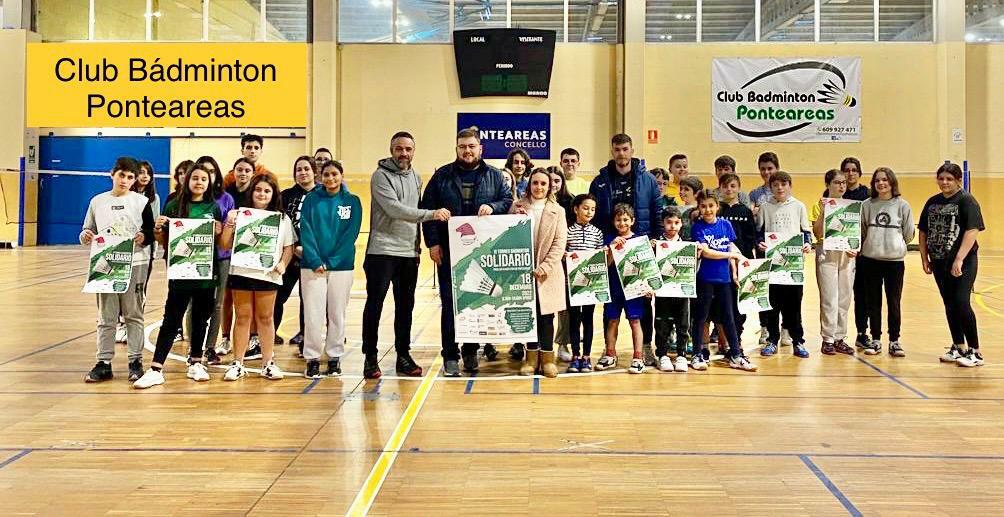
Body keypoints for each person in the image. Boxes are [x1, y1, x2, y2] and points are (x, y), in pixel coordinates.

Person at [421, 127, 513, 376]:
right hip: (449, 251)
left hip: (482, 254)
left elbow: (507, 201)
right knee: (450, 303)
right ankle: (450, 355)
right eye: (462, 147)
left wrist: (493, 206)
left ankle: (471, 350)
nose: (467, 151)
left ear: (480, 148)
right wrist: (433, 244)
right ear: (456, 149)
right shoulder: (441, 176)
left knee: (475, 302)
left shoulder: (495, 175)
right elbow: (428, 209)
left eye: (472, 146)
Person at [363, 132, 450, 379]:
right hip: (382, 251)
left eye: (408, 149)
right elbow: (395, 209)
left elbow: (414, 212)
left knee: (405, 307)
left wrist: (419, 245)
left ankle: (403, 355)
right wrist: (431, 214)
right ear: (391, 150)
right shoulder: (380, 176)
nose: (403, 153)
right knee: (375, 305)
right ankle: (370, 357)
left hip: (408, 253)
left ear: (414, 151)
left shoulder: (416, 177)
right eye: (399, 149)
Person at [134, 164, 223, 389]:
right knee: (171, 320)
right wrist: (157, 230)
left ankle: (196, 362)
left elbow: (220, 243)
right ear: (187, 180)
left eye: (204, 179)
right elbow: (165, 241)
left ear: (209, 183)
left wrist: (220, 231)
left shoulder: (213, 207)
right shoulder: (174, 205)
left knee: (201, 319)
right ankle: (156, 368)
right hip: (181, 273)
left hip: (205, 274)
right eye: (195, 178)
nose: (199, 182)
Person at [589, 134, 662, 368]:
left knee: (642, 305)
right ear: (612, 151)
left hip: (640, 246)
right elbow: (593, 214)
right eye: (617, 149)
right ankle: (608, 350)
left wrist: (655, 240)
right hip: (611, 246)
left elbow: (657, 211)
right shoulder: (600, 181)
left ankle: (645, 347)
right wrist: (600, 243)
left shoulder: (647, 180)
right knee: (610, 305)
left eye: (625, 149)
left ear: (632, 150)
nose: (621, 153)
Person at [81, 157, 154, 384]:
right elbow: (87, 231)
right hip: (106, 264)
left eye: (130, 177)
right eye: (122, 175)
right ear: (112, 174)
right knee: (107, 316)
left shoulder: (141, 202)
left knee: (134, 314)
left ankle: (135, 362)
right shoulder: (97, 202)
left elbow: (150, 233)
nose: (125, 180)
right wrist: (85, 236)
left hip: (135, 264)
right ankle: (103, 363)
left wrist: (144, 237)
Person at [220, 173, 293, 381]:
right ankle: (238, 363)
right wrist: (230, 223)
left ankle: (268, 363)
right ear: (252, 192)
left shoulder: (282, 219)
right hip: (241, 272)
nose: (262, 194)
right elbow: (225, 244)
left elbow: (288, 247)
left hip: (268, 274)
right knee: (243, 317)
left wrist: (283, 263)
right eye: (258, 190)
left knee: (265, 318)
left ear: (273, 194)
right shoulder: (239, 215)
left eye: (267, 191)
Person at [299, 160, 362, 378]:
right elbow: (306, 229)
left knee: (337, 313)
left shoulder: (352, 201)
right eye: (326, 174)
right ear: (320, 177)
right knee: (313, 314)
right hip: (312, 266)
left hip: (341, 266)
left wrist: (332, 262)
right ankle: (312, 358)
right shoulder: (311, 199)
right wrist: (315, 260)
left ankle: (334, 357)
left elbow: (350, 234)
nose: (331, 178)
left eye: (335, 174)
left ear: (342, 176)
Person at [920, 162, 985, 367]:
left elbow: (972, 230)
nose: (944, 182)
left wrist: (959, 259)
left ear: (958, 180)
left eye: (949, 179)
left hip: (963, 262)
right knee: (949, 303)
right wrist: (925, 258)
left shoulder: (966, 201)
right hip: (939, 261)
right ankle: (959, 347)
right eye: (941, 178)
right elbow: (923, 231)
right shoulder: (932, 202)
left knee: (961, 302)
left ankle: (975, 351)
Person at [690, 190, 757, 372]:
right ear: (699, 208)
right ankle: (697, 354)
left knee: (729, 317)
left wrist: (735, 271)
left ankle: (736, 355)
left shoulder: (725, 224)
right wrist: (731, 255)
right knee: (701, 317)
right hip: (705, 279)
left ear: (717, 206)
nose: (707, 210)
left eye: (711, 206)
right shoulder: (698, 227)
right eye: (703, 206)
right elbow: (706, 252)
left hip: (724, 279)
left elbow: (730, 246)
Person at [511, 168, 568, 377]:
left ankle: (547, 359)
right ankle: (531, 359)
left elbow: (559, 243)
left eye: (543, 183)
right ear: (529, 185)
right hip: (523, 273)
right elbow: (507, 235)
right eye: (535, 183)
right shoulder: (517, 207)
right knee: (529, 315)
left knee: (546, 317)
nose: (539, 187)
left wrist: (545, 266)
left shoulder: (558, 211)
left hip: (548, 273)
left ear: (549, 187)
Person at [183, 156, 236, 364]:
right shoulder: (186, 200)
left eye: (211, 172)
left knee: (217, 304)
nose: (206, 177)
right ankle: (192, 347)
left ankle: (210, 347)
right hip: (195, 258)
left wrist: (222, 229)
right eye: (201, 173)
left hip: (220, 258)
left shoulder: (226, 199)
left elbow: (229, 229)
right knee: (192, 304)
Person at [858, 167, 914, 357]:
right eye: (877, 180)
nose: (881, 183)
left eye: (885, 180)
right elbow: (862, 230)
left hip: (894, 262)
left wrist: (895, 246)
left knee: (894, 302)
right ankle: (875, 339)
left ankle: (894, 341)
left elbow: (908, 233)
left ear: (892, 182)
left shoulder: (903, 205)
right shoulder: (866, 205)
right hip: (870, 261)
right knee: (873, 302)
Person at [756, 171, 813, 359]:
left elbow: (806, 232)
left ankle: (798, 341)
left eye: (783, 184)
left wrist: (807, 244)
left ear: (790, 186)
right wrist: (759, 243)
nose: (780, 188)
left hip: (793, 266)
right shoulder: (765, 207)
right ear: (771, 187)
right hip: (773, 266)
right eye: (775, 185)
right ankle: (772, 340)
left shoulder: (799, 206)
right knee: (773, 305)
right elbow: (759, 232)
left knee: (794, 306)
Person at [596, 204, 648, 374]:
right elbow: (606, 264)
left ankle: (638, 358)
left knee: (635, 321)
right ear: (614, 221)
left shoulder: (640, 240)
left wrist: (648, 286)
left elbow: (645, 267)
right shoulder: (609, 239)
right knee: (612, 321)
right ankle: (610, 354)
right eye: (618, 219)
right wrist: (612, 248)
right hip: (614, 287)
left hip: (633, 288)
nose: (622, 223)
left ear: (632, 221)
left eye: (626, 219)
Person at [275, 156, 318, 355]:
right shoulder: (285, 196)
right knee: (277, 296)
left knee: (308, 301)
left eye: (306, 169)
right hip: (288, 255)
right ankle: (268, 336)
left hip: (312, 257)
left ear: (314, 172)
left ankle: (306, 341)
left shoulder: (323, 195)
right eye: (299, 169)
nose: (302, 172)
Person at [811, 169, 857, 356]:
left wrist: (854, 246)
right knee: (829, 297)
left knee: (845, 297)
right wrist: (824, 211)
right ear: (828, 184)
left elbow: (854, 233)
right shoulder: (819, 204)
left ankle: (840, 337)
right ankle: (828, 338)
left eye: (844, 182)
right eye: (837, 182)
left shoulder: (852, 206)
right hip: (827, 251)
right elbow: (817, 232)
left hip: (846, 253)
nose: (841, 186)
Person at [565, 193, 604, 373]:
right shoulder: (567, 231)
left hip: (591, 285)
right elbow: (562, 253)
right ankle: (575, 356)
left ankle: (586, 356)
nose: (589, 212)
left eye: (593, 209)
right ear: (576, 209)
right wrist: (566, 256)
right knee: (574, 320)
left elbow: (599, 258)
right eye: (585, 208)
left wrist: (603, 253)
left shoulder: (597, 233)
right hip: (572, 283)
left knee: (588, 319)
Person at [717, 173, 756, 346]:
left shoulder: (745, 211)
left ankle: (737, 337)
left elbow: (750, 237)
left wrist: (747, 260)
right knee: (722, 302)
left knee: (740, 302)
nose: (729, 189)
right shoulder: (717, 210)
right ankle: (724, 339)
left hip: (741, 263)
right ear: (720, 188)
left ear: (739, 188)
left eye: (732, 186)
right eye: (725, 186)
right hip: (721, 262)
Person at [653, 207, 690, 373]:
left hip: (681, 292)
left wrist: (696, 256)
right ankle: (662, 355)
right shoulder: (655, 245)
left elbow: (692, 270)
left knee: (683, 324)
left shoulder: (687, 245)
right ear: (663, 223)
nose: (673, 226)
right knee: (662, 324)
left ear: (681, 224)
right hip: (663, 292)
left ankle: (681, 355)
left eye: (676, 222)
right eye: (669, 222)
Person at [750, 152, 779, 346]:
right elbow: (753, 222)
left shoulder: (783, 189)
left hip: (782, 247)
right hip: (762, 246)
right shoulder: (754, 194)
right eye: (763, 169)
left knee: (783, 290)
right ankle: (765, 327)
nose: (766, 172)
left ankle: (785, 328)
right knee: (763, 287)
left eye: (770, 168)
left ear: (777, 168)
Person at [548, 166, 575, 362]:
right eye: (549, 181)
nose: (553, 184)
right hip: (543, 258)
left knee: (564, 305)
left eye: (557, 181)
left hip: (565, 259)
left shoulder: (571, 202)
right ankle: (539, 344)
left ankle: (563, 343)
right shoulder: (536, 202)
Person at [678, 176, 703, 241]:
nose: (681, 192)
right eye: (681, 189)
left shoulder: (700, 211)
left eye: (686, 189)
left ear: (697, 193)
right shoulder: (678, 209)